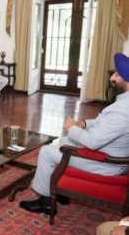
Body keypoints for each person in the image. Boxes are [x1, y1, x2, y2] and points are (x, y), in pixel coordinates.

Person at [19, 53, 129, 215]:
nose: (112, 78)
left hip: (105, 164)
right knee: (65, 140)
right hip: (110, 154)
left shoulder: (122, 110)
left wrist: (72, 127)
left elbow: (92, 142)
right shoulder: (123, 104)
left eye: (117, 75)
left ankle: (45, 201)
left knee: (46, 151)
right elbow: (105, 123)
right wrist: (83, 124)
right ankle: (61, 192)